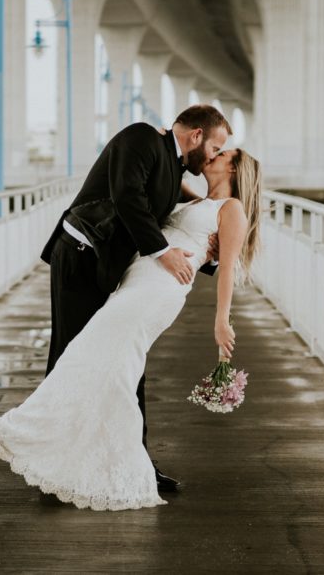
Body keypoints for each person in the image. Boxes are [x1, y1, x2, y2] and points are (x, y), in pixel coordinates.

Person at [0, 145, 262, 511]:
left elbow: (227, 267)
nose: (212, 154)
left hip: (158, 290)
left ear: (235, 168)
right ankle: (114, 464)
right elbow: (160, 182)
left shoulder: (232, 210)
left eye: (222, 153)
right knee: (109, 366)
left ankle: (10, 429)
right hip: (136, 281)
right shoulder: (198, 201)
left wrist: (221, 321)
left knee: (89, 355)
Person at [39, 104, 232, 492]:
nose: (214, 156)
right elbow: (128, 197)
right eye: (215, 147)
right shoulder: (142, 138)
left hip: (107, 266)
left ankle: (136, 464)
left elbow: (172, 215)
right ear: (196, 136)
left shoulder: (170, 162)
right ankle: (50, 463)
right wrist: (163, 253)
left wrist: (214, 240)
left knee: (126, 362)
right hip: (78, 255)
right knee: (71, 356)